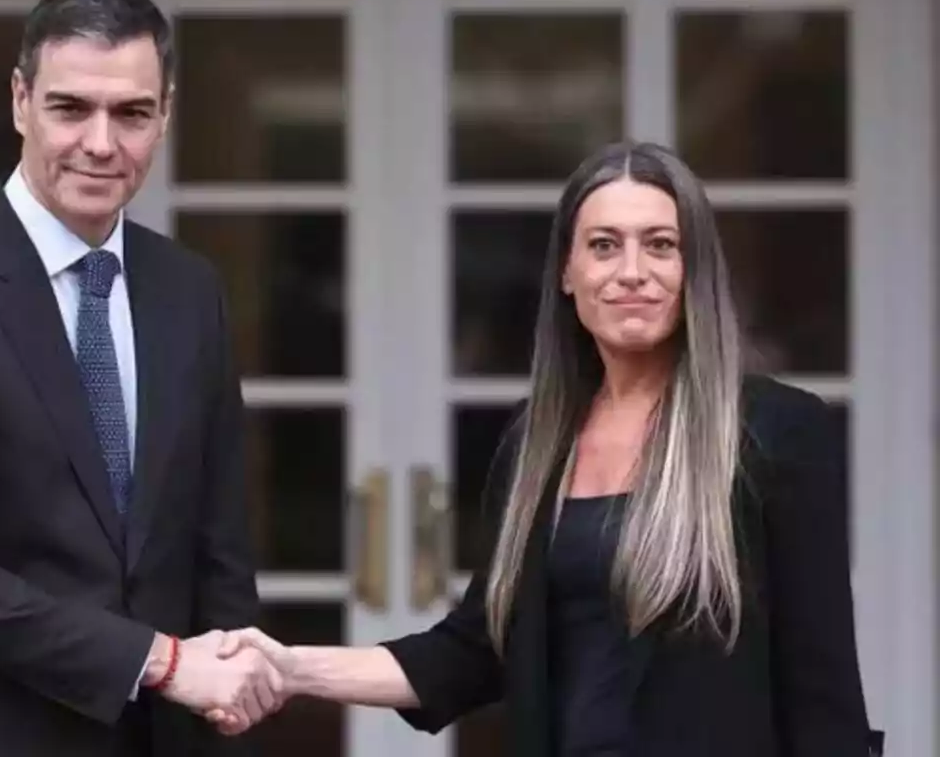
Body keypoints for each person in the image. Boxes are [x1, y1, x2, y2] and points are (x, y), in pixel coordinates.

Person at [209, 140, 882, 756]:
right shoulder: (537, 445)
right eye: (604, 245)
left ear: (693, 269)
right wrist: (289, 667)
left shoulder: (777, 433)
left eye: (660, 245)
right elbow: (473, 652)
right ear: (567, 272)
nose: (632, 271)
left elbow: (822, 692)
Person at [0, 0, 280, 757]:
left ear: (165, 115)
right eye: (71, 108)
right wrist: (161, 662)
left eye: (132, 114)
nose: (102, 143)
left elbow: (218, 553)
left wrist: (226, 697)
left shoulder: (189, 290)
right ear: (20, 101)